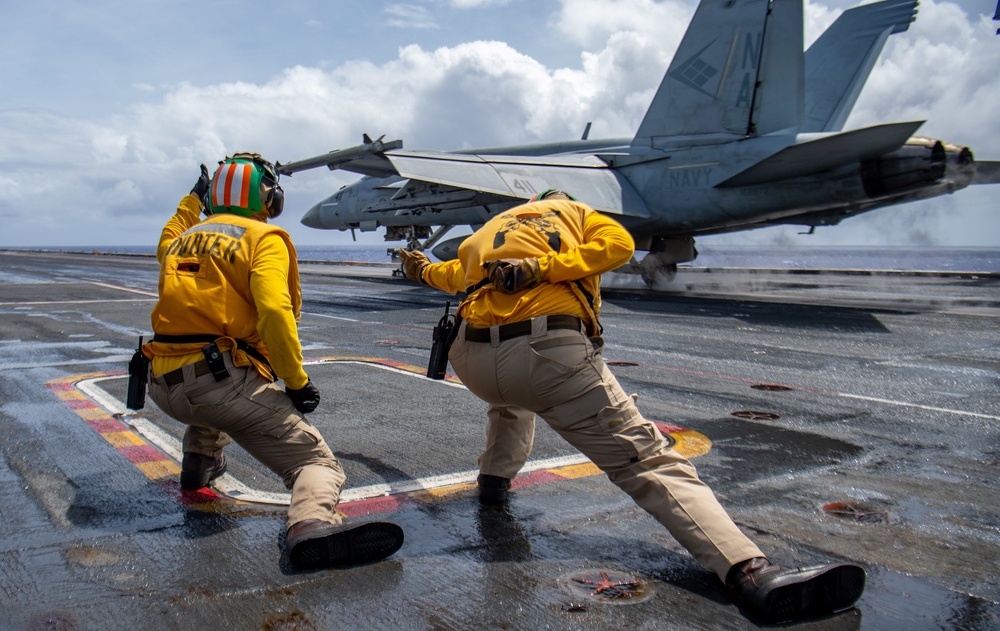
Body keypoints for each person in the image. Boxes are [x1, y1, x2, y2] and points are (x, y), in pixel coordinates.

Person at [399, 189, 865, 622]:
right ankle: (751, 571)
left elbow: (450, 276)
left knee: (510, 403)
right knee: (647, 459)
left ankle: (493, 484)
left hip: (472, 361)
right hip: (545, 353)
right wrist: (544, 269)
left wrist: (418, 267)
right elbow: (618, 246)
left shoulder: (491, 230)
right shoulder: (576, 213)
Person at [143, 154, 404, 569]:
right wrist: (296, 381)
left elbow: (170, 231)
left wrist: (192, 201)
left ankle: (199, 461)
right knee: (316, 462)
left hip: (161, 383)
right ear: (269, 196)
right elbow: (275, 312)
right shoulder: (263, 238)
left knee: (212, 398)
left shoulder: (180, 241)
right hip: (218, 383)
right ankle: (311, 525)